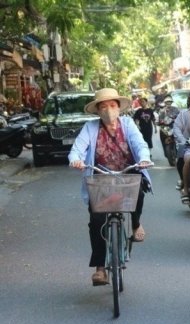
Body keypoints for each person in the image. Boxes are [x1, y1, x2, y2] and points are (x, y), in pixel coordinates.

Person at [68, 88, 153, 286]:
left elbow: (139, 144)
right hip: (101, 177)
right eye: (103, 106)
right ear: (98, 111)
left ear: (118, 108)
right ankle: (100, 268)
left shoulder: (129, 124)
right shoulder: (90, 128)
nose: (108, 110)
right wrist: (76, 160)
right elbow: (77, 149)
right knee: (96, 219)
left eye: (112, 105)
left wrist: (144, 159)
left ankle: (135, 222)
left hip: (128, 172)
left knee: (138, 190)